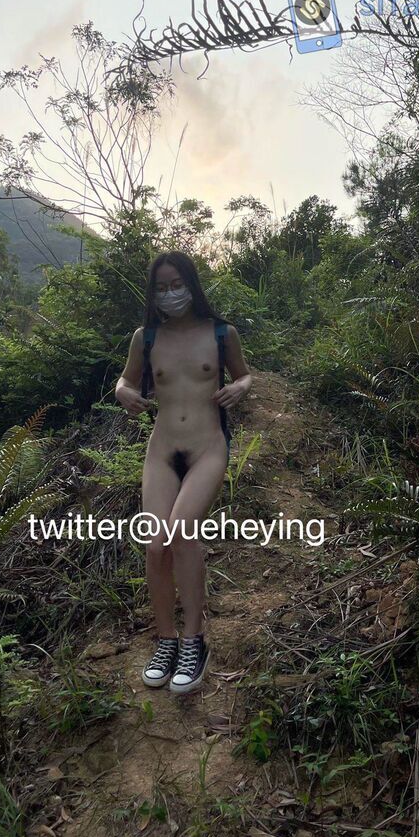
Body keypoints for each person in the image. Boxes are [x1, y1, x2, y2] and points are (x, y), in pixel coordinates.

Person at [115, 251, 252, 694]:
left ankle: (194, 640)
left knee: (181, 532)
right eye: (161, 287)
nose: (170, 293)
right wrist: (123, 392)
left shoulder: (221, 333)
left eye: (177, 284)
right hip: (161, 451)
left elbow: (245, 376)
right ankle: (166, 640)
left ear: (191, 285)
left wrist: (239, 388)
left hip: (207, 448)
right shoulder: (146, 337)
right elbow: (126, 380)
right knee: (155, 544)